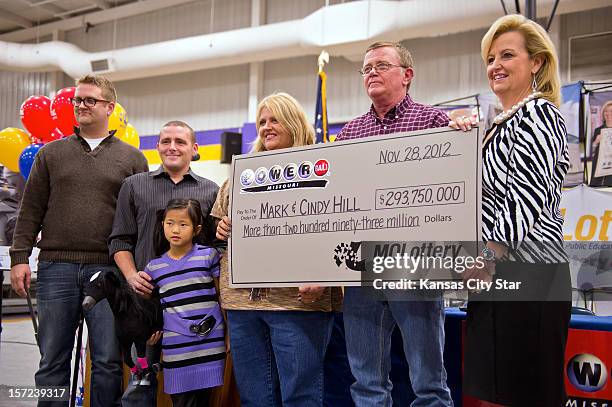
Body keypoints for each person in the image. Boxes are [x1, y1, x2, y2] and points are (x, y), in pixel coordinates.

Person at [9, 74, 149, 407]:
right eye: (78, 100)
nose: (81, 105)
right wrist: (19, 258)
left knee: (107, 362)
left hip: (109, 272)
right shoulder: (51, 154)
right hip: (56, 267)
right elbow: (31, 209)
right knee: (52, 360)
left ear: (109, 107)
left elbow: (139, 221)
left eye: (90, 100)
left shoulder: (132, 160)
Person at [454, 14, 572, 406]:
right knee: (491, 395)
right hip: (497, 274)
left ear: (536, 62)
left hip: (529, 275)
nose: (495, 66)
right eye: (490, 58)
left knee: (523, 396)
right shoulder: (501, 124)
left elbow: (527, 197)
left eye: (507, 55)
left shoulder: (539, 114)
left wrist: (487, 256)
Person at [335, 41, 454, 406]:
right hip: (362, 272)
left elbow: (455, 191)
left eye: (382, 65)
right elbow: (333, 205)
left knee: (428, 382)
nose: (372, 72)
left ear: (407, 75)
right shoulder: (348, 134)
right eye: (367, 67)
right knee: (366, 381)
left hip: (416, 265)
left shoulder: (435, 122)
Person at [214, 92, 340, 406]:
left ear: (294, 122)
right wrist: (223, 228)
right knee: (255, 398)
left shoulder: (325, 169)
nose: (266, 127)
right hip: (244, 303)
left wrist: (325, 274)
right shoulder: (240, 176)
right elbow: (220, 228)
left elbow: (343, 226)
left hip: (297, 303)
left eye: (275, 119)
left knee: (301, 396)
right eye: (262, 121)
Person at [108, 120, 220, 405]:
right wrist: (133, 276)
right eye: (166, 141)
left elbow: (218, 247)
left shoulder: (211, 191)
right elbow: (119, 240)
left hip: (190, 308)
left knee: (191, 387)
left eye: (180, 142)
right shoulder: (133, 186)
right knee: (140, 380)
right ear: (157, 146)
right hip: (143, 303)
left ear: (194, 149)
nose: (172, 147)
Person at [145, 198, 225, 407]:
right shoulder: (154, 267)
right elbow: (147, 309)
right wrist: (149, 332)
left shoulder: (209, 256)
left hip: (210, 344)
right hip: (176, 348)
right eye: (169, 223)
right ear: (162, 224)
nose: (175, 229)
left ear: (197, 228)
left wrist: (229, 336)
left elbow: (221, 296)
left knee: (205, 402)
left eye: (183, 224)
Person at [590, 100, 612, 186]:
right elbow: (591, 150)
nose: (608, 113)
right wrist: (596, 141)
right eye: (606, 111)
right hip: (600, 165)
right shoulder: (598, 130)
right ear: (603, 113)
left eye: (611, 111)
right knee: (598, 189)